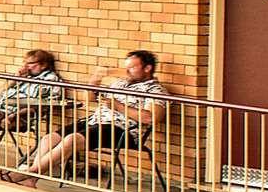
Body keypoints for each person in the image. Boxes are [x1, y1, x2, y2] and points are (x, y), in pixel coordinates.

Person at [9, 49, 164, 183]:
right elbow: (88, 99)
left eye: (132, 68)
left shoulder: (155, 90)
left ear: (147, 68)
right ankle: (31, 180)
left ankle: (31, 172)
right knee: (49, 138)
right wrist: (94, 81)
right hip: (94, 122)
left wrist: (118, 106)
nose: (127, 71)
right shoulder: (120, 83)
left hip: (122, 130)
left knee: (72, 140)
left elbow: (150, 118)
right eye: (126, 68)